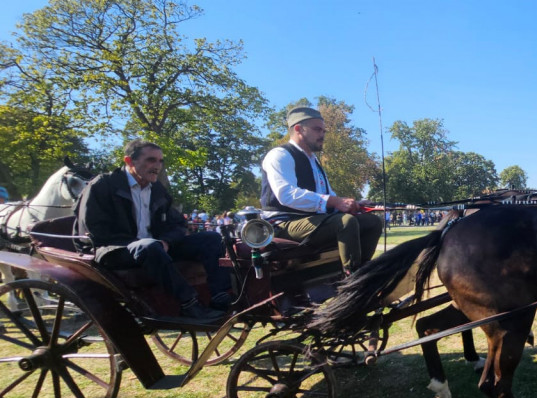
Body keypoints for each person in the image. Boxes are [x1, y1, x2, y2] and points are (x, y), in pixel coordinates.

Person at [74, 139, 231, 321]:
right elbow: (94, 230)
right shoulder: (103, 185)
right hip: (112, 250)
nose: (157, 166)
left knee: (212, 238)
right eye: (151, 160)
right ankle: (190, 304)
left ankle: (220, 297)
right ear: (129, 161)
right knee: (148, 246)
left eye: (160, 161)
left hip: (154, 248)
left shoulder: (156, 189)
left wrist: (166, 241)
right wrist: (143, 243)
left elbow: (178, 224)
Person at [260, 107, 383, 275]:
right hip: (283, 224)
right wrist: (334, 202)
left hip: (313, 220)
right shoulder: (280, 155)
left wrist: (351, 204)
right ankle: (352, 276)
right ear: (298, 129)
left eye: (324, 130)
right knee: (345, 222)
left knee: (372, 222)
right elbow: (286, 195)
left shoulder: (313, 161)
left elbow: (327, 195)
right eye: (317, 129)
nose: (322, 134)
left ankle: (364, 269)